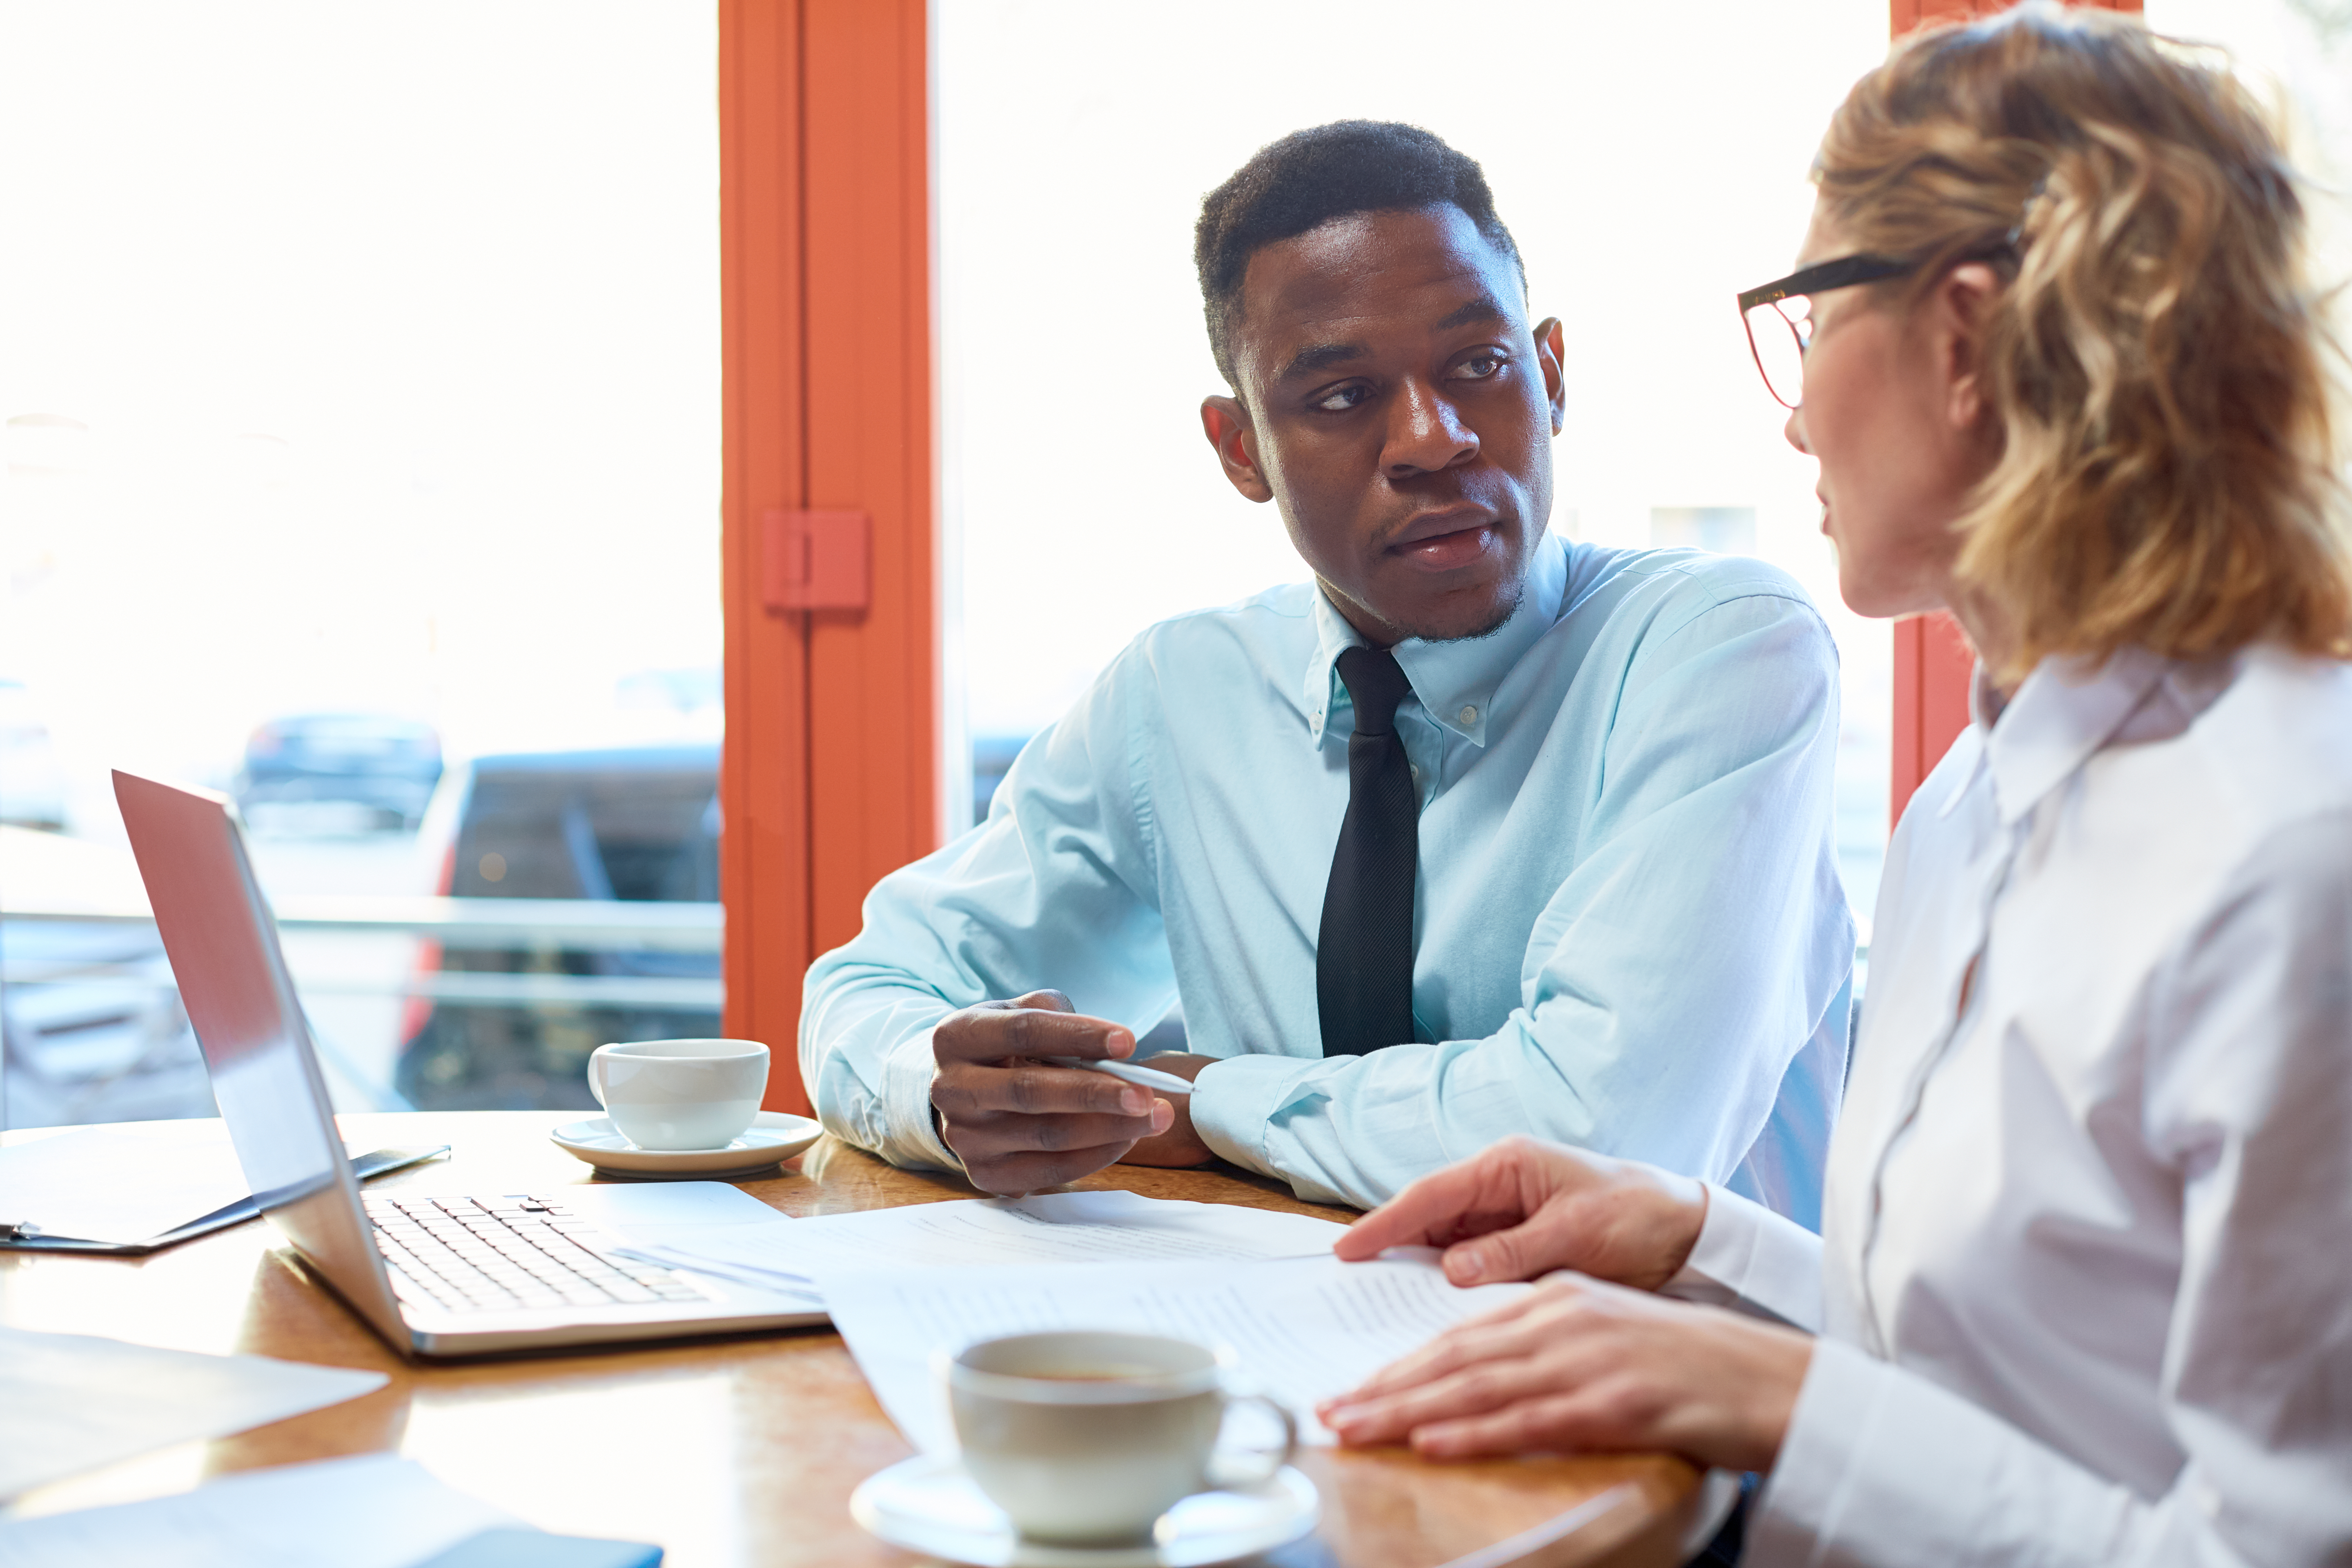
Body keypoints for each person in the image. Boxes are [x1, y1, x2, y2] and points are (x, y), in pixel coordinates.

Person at [1316, 8, 2352, 1565]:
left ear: (1965, 342)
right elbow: (2008, 1381)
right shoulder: (1977, 792)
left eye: (1808, 320)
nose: (1794, 412)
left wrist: (1776, 1398)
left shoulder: (2296, 850)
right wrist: (1702, 1244)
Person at [801, 121, 1856, 1215]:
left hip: (1665, 1328)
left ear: (1549, 376)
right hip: (1278, 1317)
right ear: (1241, 450)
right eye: (1344, 396)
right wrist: (944, 1090)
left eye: (1479, 366)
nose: (1433, 439)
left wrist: (1213, 1102)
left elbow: (1606, 1134)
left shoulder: (1719, 648)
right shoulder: (1183, 697)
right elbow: (864, 990)